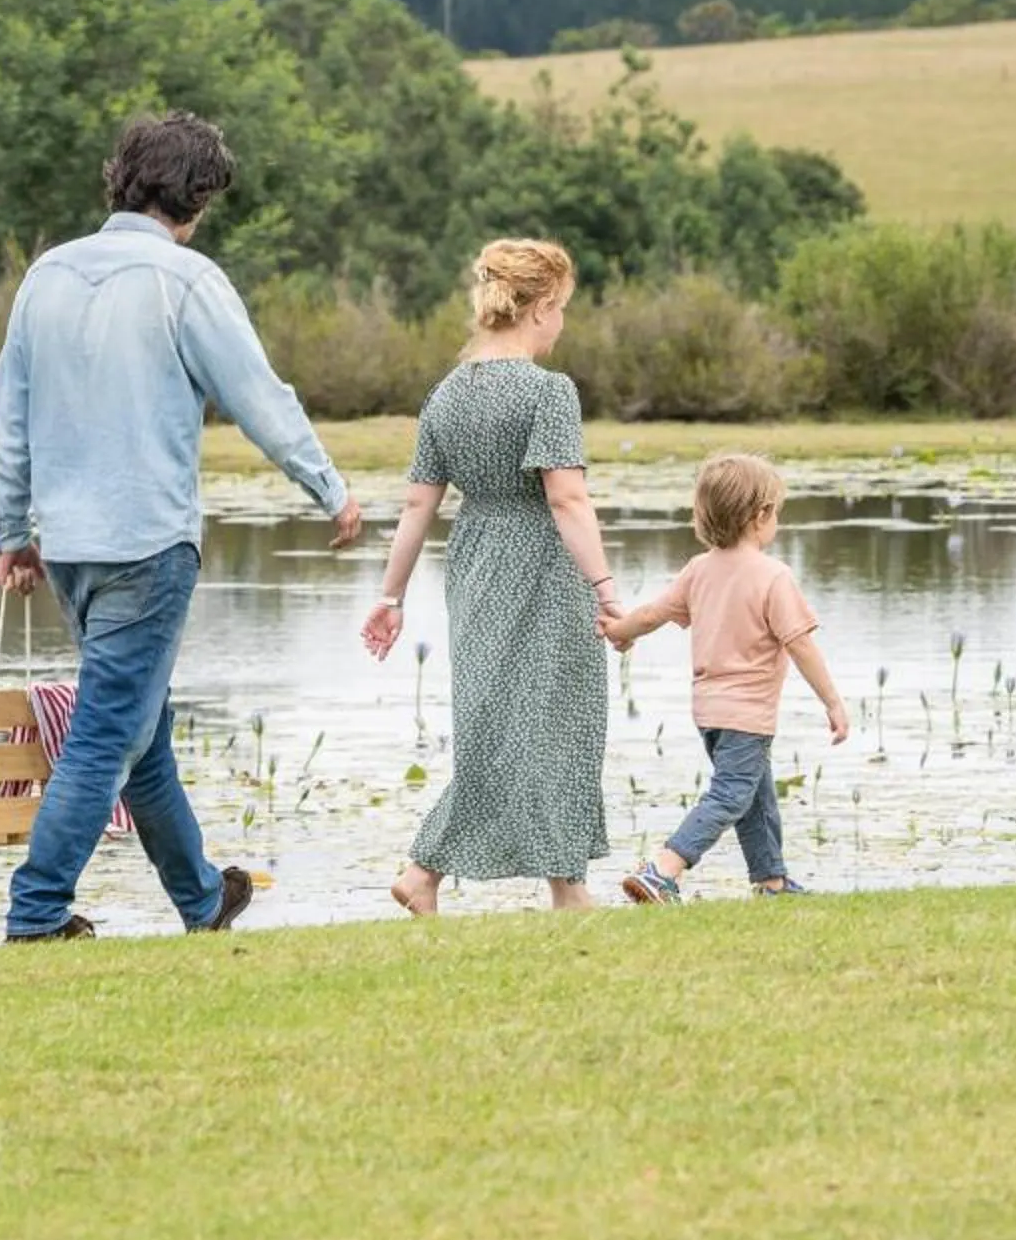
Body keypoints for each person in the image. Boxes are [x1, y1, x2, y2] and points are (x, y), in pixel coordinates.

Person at [0, 111, 363, 943]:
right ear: (194, 197)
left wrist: (10, 532)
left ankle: (201, 898)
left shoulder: (46, 275)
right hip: (148, 545)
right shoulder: (184, 279)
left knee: (138, 731)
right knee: (103, 736)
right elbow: (259, 397)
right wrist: (328, 488)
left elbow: (6, 424)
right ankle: (35, 913)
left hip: (71, 551)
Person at [361, 239, 619, 914]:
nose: (563, 324)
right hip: (541, 563)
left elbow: (420, 503)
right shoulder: (549, 392)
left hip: (475, 561)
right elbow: (566, 500)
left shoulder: (446, 394)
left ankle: (563, 884)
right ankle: (435, 871)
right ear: (540, 308)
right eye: (562, 309)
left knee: (499, 720)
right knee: (557, 718)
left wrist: (391, 596)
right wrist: (607, 588)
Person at [602, 453, 850, 902]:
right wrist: (832, 701)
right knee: (732, 795)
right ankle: (663, 869)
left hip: (709, 712)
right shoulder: (773, 576)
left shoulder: (699, 569)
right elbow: (800, 644)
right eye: (777, 511)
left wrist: (620, 631)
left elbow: (654, 613)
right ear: (761, 516)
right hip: (747, 712)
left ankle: (771, 881)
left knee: (756, 795)